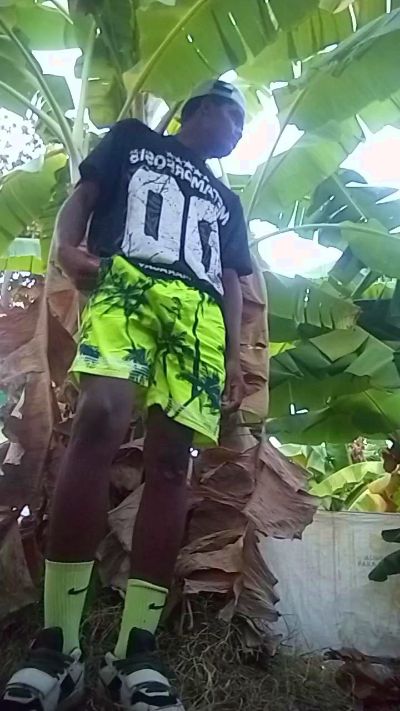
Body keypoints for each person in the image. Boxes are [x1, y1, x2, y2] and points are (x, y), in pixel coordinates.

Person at [0, 79, 252, 711]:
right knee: (99, 421)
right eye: (233, 117)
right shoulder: (133, 141)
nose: (238, 133)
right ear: (199, 109)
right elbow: (83, 196)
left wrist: (231, 355)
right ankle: (57, 646)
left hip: (199, 318)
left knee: (170, 465)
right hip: (127, 286)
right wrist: (65, 248)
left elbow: (229, 277)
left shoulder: (227, 199)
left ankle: (136, 652)